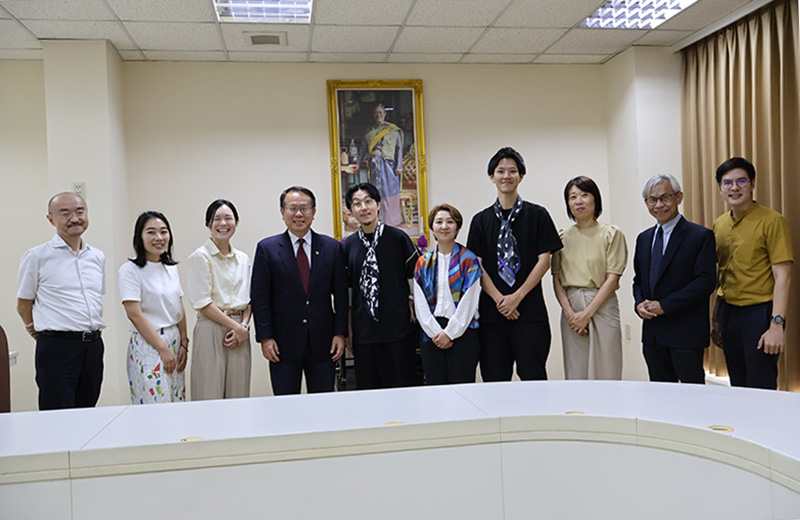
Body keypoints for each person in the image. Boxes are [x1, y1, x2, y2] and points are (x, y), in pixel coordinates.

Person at [466, 147, 562, 382]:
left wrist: (516, 297)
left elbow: (544, 260)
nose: (506, 176)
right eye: (500, 171)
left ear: (521, 176)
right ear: (492, 176)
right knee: (494, 380)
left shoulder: (538, 215)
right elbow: (477, 266)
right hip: (492, 315)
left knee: (533, 377)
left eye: (512, 171)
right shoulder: (480, 220)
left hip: (530, 313)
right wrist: (501, 300)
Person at [251, 186, 347, 396]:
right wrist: (265, 337)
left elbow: (340, 296)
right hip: (282, 343)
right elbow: (260, 299)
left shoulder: (332, 247)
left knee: (324, 404)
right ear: (282, 212)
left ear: (313, 212)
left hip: (323, 342)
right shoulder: (267, 248)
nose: (298, 214)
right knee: (286, 406)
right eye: (292, 208)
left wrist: (340, 333)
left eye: (304, 208)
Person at [17, 192, 105, 410]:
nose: (74, 218)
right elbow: (23, 303)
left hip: (93, 346)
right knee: (57, 415)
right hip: (57, 347)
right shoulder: (37, 256)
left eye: (79, 211)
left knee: (87, 411)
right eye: (64, 213)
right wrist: (33, 329)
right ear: (51, 219)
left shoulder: (97, 256)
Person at [712, 157, 793, 389]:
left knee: (761, 385)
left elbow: (783, 276)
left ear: (753, 184)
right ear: (720, 188)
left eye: (741, 181)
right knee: (737, 384)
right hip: (729, 314)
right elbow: (722, 274)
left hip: (760, 314)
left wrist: (776, 325)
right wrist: (716, 320)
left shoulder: (772, 221)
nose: (734, 188)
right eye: (727, 183)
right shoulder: (719, 224)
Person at [632, 174, 716, 384]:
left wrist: (665, 306)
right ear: (646, 203)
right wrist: (639, 304)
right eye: (653, 200)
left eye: (665, 198)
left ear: (679, 197)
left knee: (692, 401)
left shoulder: (699, 236)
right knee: (660, 400)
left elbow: (705, 281)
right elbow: (639, 281)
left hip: (685, 334)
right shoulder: (644, 238)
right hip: (653, 335)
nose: (659, 205)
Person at [343, 182, 420, 389]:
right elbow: (348, 290)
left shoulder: (399, 238)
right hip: (364, 333)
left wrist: (413, 304)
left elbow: (416, 279)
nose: (364, 208)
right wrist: (349, 326)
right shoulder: (348, 246)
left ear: (378, 205)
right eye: (357, 204)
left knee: (402, 389)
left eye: (368, 201)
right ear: (351, 211)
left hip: (397, 330)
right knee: (369, 393)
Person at [552, 176, 627, 380]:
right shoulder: (561, 237)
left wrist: (587, 313)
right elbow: (556, 279)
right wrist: (570, 313)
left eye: (584, 195)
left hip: (602, 305)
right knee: (576, 369)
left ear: (596, 200)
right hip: (571, 307)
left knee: (607, 366)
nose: (578, 201)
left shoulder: (611, 234)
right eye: (572, 197)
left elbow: (613, 278)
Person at [118, 211, 188, 404]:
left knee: (176, 401)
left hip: (174, 341)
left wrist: (184, 342)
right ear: (139, 237)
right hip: (149, 344)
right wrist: (162, 348)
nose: (159, 237)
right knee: (155, 403)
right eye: (151, 232)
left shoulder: (171, 269)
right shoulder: (130, 271)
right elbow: (134, 314)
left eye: (164, 232)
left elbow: (178, 306)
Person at [187, 199, 252, 400]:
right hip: (211, 328)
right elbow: (203, 302)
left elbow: (250, 300)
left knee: (238, 395)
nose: (223, 224)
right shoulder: (200, 257)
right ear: (208, 224)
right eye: (217, 219)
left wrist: (243, 327)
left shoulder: (243, 259)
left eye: (228, 218)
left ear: (236, 222)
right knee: (209, 393)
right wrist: (237, 327)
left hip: (240, 331)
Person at [413, 204, 482, 385]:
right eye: (439, 222)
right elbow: (420, 305)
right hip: (432, 334)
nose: (444, 226)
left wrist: (450, 333)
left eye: (450, 222)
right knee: (436, 390)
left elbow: (469, 302)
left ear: (458, 228)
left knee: (463, 388)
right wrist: (437, 333)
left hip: (463, 332)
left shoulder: (469, 259)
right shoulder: (422, 263)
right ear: (432, 228)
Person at [354, 103, 404, 226]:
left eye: (381, 113)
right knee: (374, 192)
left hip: (389, 166)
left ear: (385, 114)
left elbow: (399, 149)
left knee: (389, 191)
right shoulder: (369, 131)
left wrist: (399, 166)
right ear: (373, 115)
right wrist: (358, 164)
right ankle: (376, 219)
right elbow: (363, 149)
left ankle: (391, 220)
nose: (378, 115)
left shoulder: (393, 130)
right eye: (376, 113)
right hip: (374, 166)